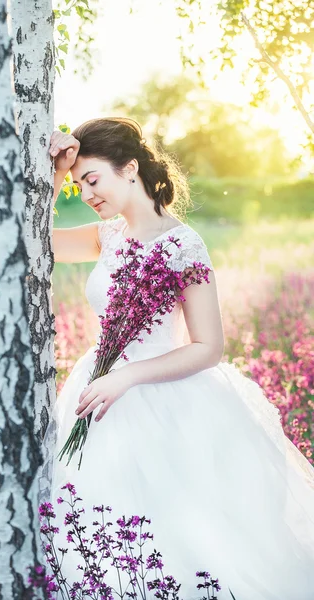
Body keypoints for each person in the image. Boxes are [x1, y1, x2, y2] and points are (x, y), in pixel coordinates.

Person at [39, 117, 314, 600]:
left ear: (129, 169)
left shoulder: (184, 244)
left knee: (178, 538)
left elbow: (209, 346)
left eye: (92, 179)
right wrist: (57, 174)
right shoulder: (107, 236)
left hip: (164, 399)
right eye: (79, 184)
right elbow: (32, 240)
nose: (86, 193)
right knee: (96, 529)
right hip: (96, 396)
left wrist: (127, 377)